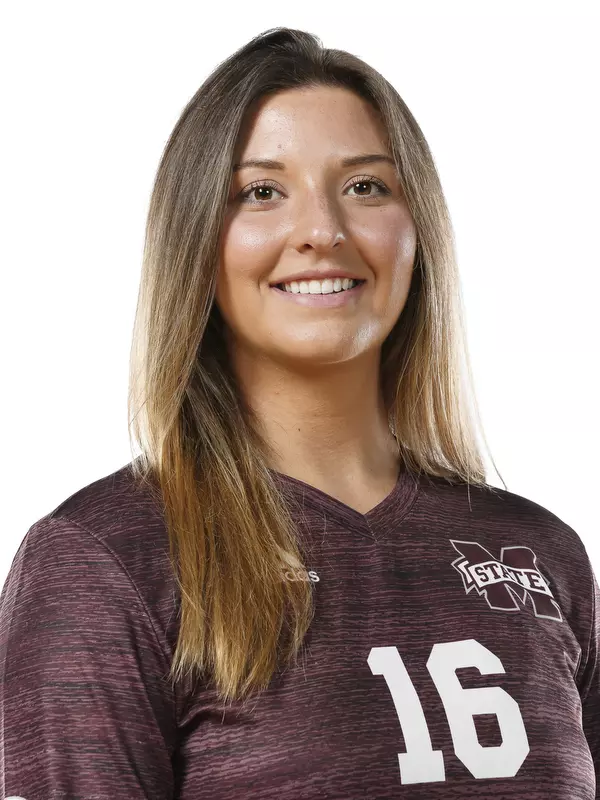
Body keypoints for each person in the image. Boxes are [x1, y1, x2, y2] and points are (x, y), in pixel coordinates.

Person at [0, 25, 598, 800]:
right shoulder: (105, 560)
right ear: (197, 243)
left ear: (417, 232)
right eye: (261, 192)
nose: (322, 232)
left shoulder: (539, 551)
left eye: (365, 187)